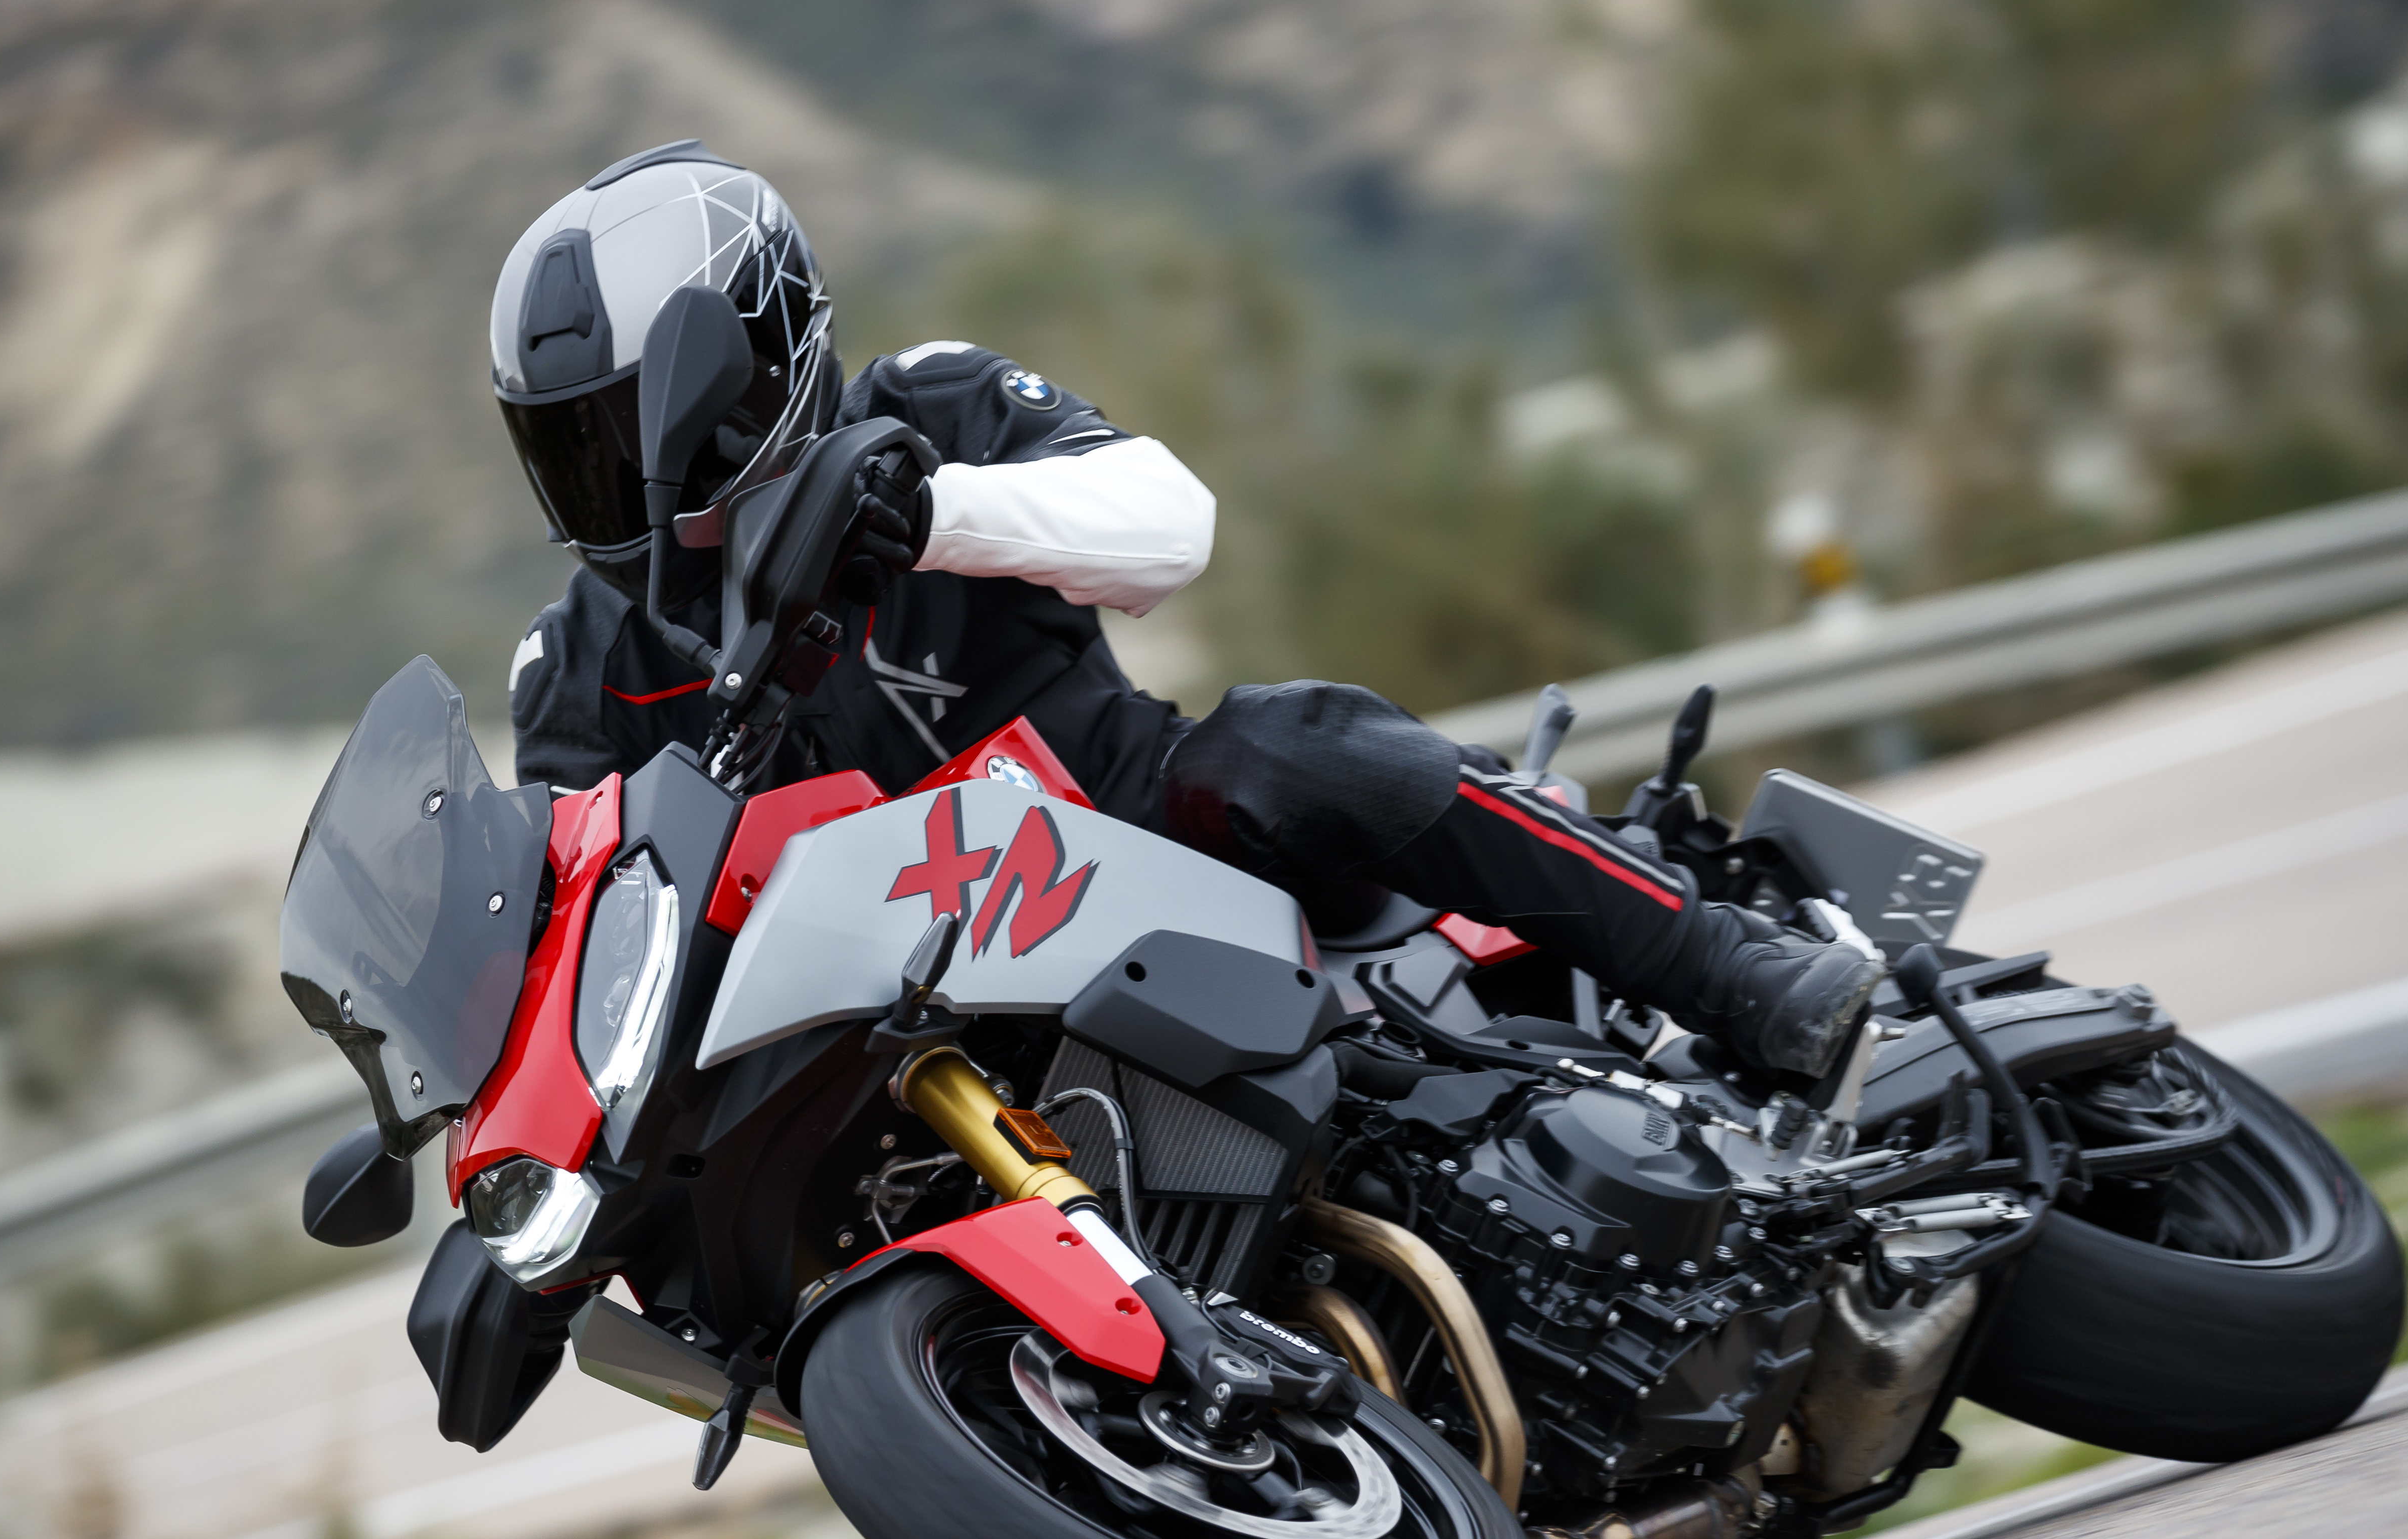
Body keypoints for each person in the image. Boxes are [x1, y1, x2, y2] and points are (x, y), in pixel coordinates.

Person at [493, 141, 1882, 1076]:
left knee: (1285, 740)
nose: (617, 484)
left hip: (1136, 838)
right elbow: (569, 944)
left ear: (755, 373)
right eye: (577, 452)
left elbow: (1171, 525)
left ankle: (1728, 968)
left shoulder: (924, 409)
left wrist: (936, 513)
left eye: (638, 435)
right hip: (881, 1024)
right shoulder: (577, 663)